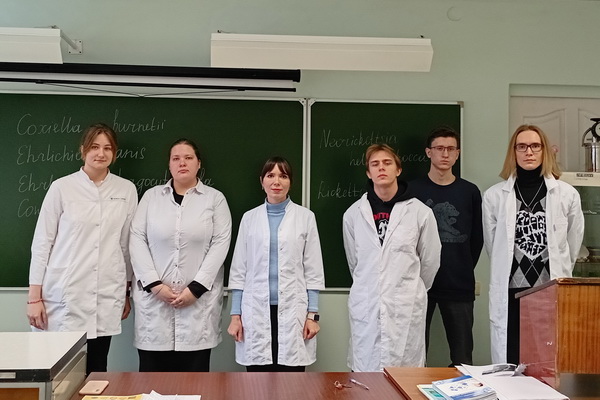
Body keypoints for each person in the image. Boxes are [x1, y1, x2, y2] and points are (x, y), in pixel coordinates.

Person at [27, 123, 138, 374]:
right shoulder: (61, 187)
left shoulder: (126, 190)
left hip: (106, 292)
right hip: (64, 294)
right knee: (59, 373)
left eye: (107, 148)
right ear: (83, 150)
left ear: (114, 153)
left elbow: (125, 245)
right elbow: (42, 242)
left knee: (96, 369)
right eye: (95, 147)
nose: (101, 153)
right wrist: (34, 297)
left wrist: (125, 292)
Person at [483, 124, 584, 364]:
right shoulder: (494, 196)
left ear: (544, 150)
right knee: (511, 357)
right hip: (511, 290)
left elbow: (573, 243)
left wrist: (559, 265)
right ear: (513, 152)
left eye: (535, 146)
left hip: (548, 289)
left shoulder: (567, 194)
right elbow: (493, 246)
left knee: (546, 358)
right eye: (522, 146)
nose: (529, 152)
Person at [129, 138, 232, 372]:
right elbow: (136, 238)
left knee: (195, 380)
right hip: (154, 305)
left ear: (198, 163)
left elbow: (220, 243)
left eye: (188, 158)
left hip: (198, 305)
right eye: (176, 158)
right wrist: (155, 285)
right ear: (169, 164)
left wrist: (195, 289)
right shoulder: (151, 197)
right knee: (152, 380)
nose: (182, 163)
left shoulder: (215, 199)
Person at [342, 143, 441, 372]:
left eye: (387, 163)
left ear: (398, 169)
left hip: (405, 306)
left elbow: (430, 262)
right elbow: (354, 262)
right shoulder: (353, 214)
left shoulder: (420, 212)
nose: (381, 168)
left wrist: (408, 289)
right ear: (368, 173)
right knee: (367, 375)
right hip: (367, 305)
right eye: (375, 164)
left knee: (405, 376)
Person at [227, 156, 325, 372]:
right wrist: (235, 316)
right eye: (270, 175)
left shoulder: (305, 217)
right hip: (254, 311)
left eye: (283, 176)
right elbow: (239, 270)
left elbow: (313, 270)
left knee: (291, 381)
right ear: (262, 181)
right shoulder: (249, 218)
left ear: (291, 182)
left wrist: (312, 316)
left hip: (294, 312)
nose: (276, 181)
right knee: (257, 382)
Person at [410, 126, 483, 366]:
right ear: (428, 152)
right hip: (419, 285)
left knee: (463, 358)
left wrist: (461, 266)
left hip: (459, 284)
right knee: (414, 355)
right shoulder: (411, 191)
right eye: (439, 148)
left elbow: (477, 238)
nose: (445, 154)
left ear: (457, 153)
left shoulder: (469, 192)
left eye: (451, 149)